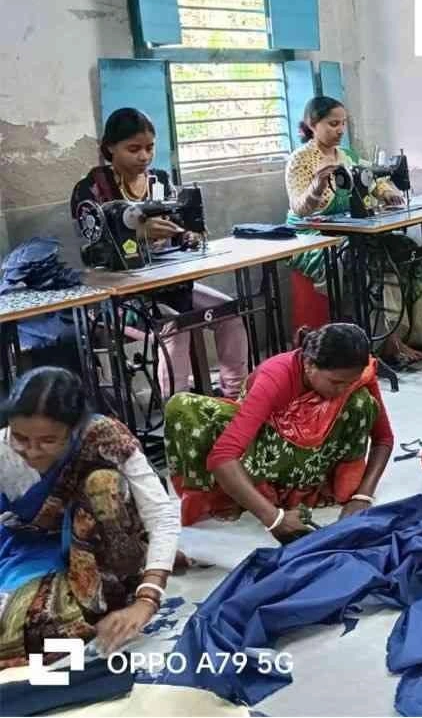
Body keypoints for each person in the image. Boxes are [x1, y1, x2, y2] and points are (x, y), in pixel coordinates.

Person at [0, 367, 180, 665]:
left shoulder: (104, 437)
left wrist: (147, 600)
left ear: (74, 430)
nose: (31, 451)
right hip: (31, 549)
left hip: (97, 550)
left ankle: (112, 593)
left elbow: (162, 515)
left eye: (47, 440)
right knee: (18, 626)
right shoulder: (3, 450)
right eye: (20, 437)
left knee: (103, 484)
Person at [70, 108, 249, 400]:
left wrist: (187, 235)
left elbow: (178, 225)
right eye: (134, 149)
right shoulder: (91, 190)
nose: (144, 156)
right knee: (175, 326)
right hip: (119, 297)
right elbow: (93, 250)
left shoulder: (160, 181)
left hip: (167, 286)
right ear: (110, 147)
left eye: (150, 148)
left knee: (230, 313)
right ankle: (178, 411)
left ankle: (234, 398)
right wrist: (138, 234)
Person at [163, 323, 393, 537]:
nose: (342, 389)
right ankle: (264, 494)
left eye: (349, 382)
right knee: (184, 407)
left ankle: (314, 488)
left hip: (313, 460)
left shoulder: (355, 375)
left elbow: (383, 438)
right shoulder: (276, 377)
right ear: (309, 364)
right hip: (265, 452)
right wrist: (274, 518)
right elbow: (222, 457)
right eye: (335, 383)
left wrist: (363, 496)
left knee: (362, 401)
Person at [285, 96, 422, 366]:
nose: (340, 130)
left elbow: (373, 179)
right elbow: (300, 207)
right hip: (314, 239)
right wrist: (317, 185)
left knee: (408, 249)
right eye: (333, 124)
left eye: (343, 123)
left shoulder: (347, 155)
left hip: (350, 232)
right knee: (373, 260)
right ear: (312, 124)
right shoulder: (300, 160)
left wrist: (387, 192)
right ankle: (388, 340)